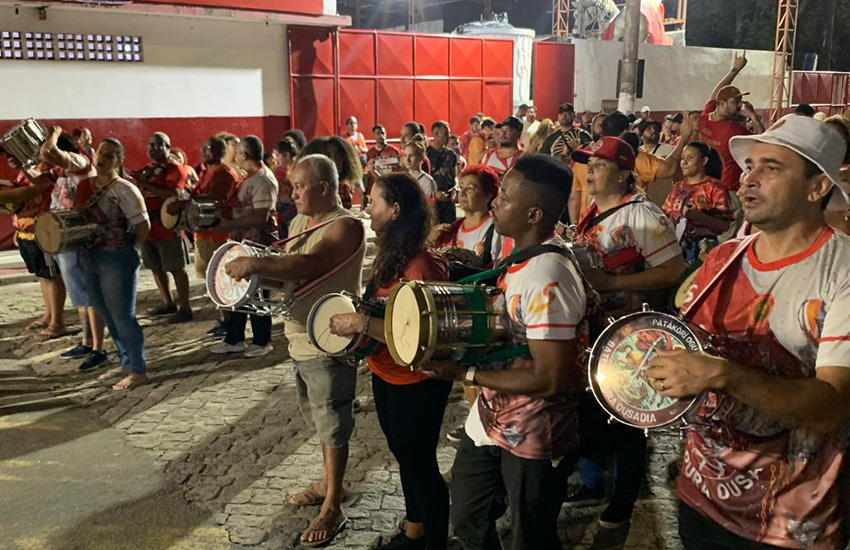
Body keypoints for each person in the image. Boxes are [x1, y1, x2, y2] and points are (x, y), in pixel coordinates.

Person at [644, 114, 850, 550]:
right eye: (750, 165)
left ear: (818, 188)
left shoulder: (841, 273)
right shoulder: (722, 259)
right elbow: (690, 356)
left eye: (771, 168)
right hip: (702, 498)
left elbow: (833, 405)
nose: (747, 179)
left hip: (789, 523)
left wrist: (726, 374)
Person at [422, 153, 586, 550]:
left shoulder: (548, 277)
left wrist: (465, 375)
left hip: (534, 432)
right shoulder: (518, 257)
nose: (495, 201)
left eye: (506, 196)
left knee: (531, 535)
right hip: (493, 417)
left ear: (534, 214)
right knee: (467, 517)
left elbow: (549, 379)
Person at [222, 154, 365, 548]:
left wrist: (256, 262)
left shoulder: (346, 226)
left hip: (328, 339)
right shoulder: (301, 221)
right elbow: (285, 273)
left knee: (334, 422)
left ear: (324, 187)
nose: (292, 192)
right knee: (318, 419)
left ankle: (334, 504)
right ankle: (326, 483)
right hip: (300, 335)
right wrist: (242, 274)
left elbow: (310, 263)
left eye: (300, 186)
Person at [329, 172, 451, 550]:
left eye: (374, 201)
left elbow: (423, 336)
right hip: (387, 371)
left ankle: (434, 539)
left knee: (419, 461)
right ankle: (415, 529)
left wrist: (363, 322)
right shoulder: (391, 254)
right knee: (404, 455)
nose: (367, 207)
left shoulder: (421, 265)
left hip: (417, 381)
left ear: (395, 210)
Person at [569, 136, 685, 528]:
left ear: (623, 175)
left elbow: (673, 271)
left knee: (625, 418)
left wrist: (613, 284)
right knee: (588, 409)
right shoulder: (591, 210)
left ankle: (624, 496)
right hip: (592, 330)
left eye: (599, 165)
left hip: (629, 339)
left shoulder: (645, 216)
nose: (591, 171)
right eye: (590, 164)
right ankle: (589, 482)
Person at [75, 138, 151, 391]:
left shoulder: (125, 189)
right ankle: (126, 360)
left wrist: (130, 248)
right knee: (104, 311)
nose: (102, 158)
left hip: (116, 257)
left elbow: (143, 225)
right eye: (100, 153)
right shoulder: (86, 185)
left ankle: (138, 370)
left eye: (109, 155)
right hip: (90, 256)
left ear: (119, 161)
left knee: (123, 315)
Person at [39, 126, 108, 370]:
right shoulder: (64, 171)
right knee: (79, 295)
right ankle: (87, 341)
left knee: (88, 294)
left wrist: (54, 134)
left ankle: (98, 348)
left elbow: (49, 151)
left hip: (78, 238)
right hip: (66, 239)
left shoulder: (78, 160)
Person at [210, 135, 278, 358]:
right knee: (238, 289)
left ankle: (262, 340)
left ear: (245, 155)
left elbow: (260, 217)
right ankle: (235, 338)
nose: (234, 155)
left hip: (257, 243)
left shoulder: (262, 181)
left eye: (237, 151)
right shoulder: (248, 177)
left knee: (257, 291)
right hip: (241, 242)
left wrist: (230, 223)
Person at [0, 151, 62, 336]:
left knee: (52, 277)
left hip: (42, 229)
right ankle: (48, 315)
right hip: (26, 230)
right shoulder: (30, 168)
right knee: (43, 276)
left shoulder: (48, 169)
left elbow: (34, 189)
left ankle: (57, 322)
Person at [134, 132, 193, 324]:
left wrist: (144, 183)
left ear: (168, 147)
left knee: (176, 268)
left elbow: (174, 192)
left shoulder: (175, 168)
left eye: (159, 145)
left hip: (168, 226)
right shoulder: (149, 169)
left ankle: (185, 307)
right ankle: (167, 302)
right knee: (155, 267)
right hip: (149, 228)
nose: (153, 148)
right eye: (150, 145)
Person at [190, 137, 239, 337]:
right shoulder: (204, 171)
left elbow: (218, 198)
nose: (203, 151)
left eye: (207, 148)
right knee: (211, 281)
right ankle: (224, 319)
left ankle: (230, 322)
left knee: (220, 280)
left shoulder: (224, 173)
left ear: (218, 151)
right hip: (203, 233)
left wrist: (190, 199)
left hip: (216, 234)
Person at [698, 51, 765, 192]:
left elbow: (715, 94)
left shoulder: (705, 118)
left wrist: (734, 70)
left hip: (706, 185)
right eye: (735, 101)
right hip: (728, 190)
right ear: (722, 104)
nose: (740, 105)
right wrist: (753, 115)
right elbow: (762, 141)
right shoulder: (732, 130)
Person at [662, 142, 734, 264]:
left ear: (704, 160)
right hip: (675, 247)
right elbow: (666, 212)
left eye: (690, 158)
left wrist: (699, 217)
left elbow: (725, 225)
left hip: (703, 250)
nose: (684, 163)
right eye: (682, 158)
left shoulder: (715, 188)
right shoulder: (678, 186)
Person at [433, 164, 501, 263]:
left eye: (470, 189)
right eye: (460, 188)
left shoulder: (496, 229)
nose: (462, 193)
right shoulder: (450, 232)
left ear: (488, 196)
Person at [301, 136, 363, 211]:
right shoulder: (305, 191)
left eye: (338, 155)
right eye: (327, 156)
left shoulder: (345, 188)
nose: (334, 161)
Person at [427, 120, 459, 224]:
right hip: (431, 202)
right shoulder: (426, 155)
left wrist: (455, 188)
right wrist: (434, 193)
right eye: (445, 134)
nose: (448, 137)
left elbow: (454, 176)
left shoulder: (451, 155)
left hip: (448, 201)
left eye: (449, 134)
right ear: (436, 134)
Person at [272, 138, 298, 237]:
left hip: (291, 211)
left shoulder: (297, 170)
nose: (275, 159)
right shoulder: (278, 171)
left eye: (277, 156)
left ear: (287, 155)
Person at [366, 125, 402, 193]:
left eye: (383, 133)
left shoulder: (393, 151)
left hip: (390, 184)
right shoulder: (370, 153)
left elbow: (398, 169)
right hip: (376, 185)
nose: (381, 136)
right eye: (378, 133)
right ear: (374, 135)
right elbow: (369, 172)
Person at [402, 135, 437, 201]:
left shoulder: (427, 181)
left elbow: (431, 205)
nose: (407, 159)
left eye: (411, 156)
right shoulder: (403, 179)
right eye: (405, 155)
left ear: (421, 157)